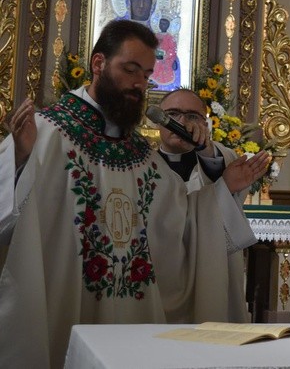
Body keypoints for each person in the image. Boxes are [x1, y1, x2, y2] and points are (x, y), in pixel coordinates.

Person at [0, 19, 265, 367]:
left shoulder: (141, 156)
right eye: (130, 69)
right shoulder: (46, 132)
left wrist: (223, 189)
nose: (139, 83)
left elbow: (182, 221)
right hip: (62, 302)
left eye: (147, 74)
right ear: (98, 64)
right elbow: (8, 219)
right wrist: (18, 159)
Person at [156, 88, 271, 321]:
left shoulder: (220, 157)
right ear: (159, 121)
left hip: (213, 268)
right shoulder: (142, 165)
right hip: (161, 273)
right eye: (173, 114)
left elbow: (224, 176)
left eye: (192, 116)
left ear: (206, 124)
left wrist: (204, 147)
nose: (182, 122)